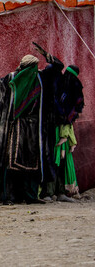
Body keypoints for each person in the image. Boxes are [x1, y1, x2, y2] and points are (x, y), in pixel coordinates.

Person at [0, 53, 62, 204]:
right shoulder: (13, 78)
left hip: (35, 130)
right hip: (16, 128)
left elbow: (58, 68)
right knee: (12, 163)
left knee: (33, 164)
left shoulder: (40, 78)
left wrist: (49, 57)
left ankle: (31, 196)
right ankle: (10, 196)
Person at [47, 64, 84, 200]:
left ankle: (56, 191)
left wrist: (64, 135)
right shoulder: (72, 89)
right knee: (59, 159)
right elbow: (71, 114)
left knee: (56, 159)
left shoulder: (60, 87)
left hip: (58, 130)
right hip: (61, 130)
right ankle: (59, 191)